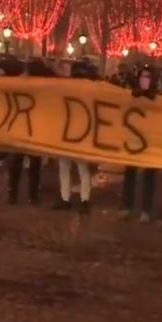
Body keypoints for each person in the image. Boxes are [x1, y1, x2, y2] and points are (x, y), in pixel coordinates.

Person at [53, 60, 95, 215]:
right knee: (75, 169)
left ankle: (74, 199)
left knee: (75, 168)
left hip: (75, 135)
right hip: (71, 134)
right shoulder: (87, 90)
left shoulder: (78, 89)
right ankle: (78, 199)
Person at [119, 66, 158, 222]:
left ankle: (146, 210)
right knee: (129, 176)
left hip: (152, 143)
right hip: (133, 142)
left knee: (149, 179)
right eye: (142, 76)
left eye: (148, 76)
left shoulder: (158, 97)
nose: (145, 79)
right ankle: (127, 207)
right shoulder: (131, 95)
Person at [7, 58, 44, 204]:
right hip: (36, 130)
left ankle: (13, 194)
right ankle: (32, 196)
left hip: (20, 129)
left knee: (16, 164)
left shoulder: (19, 82)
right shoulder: (47, 85)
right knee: (34, 166)